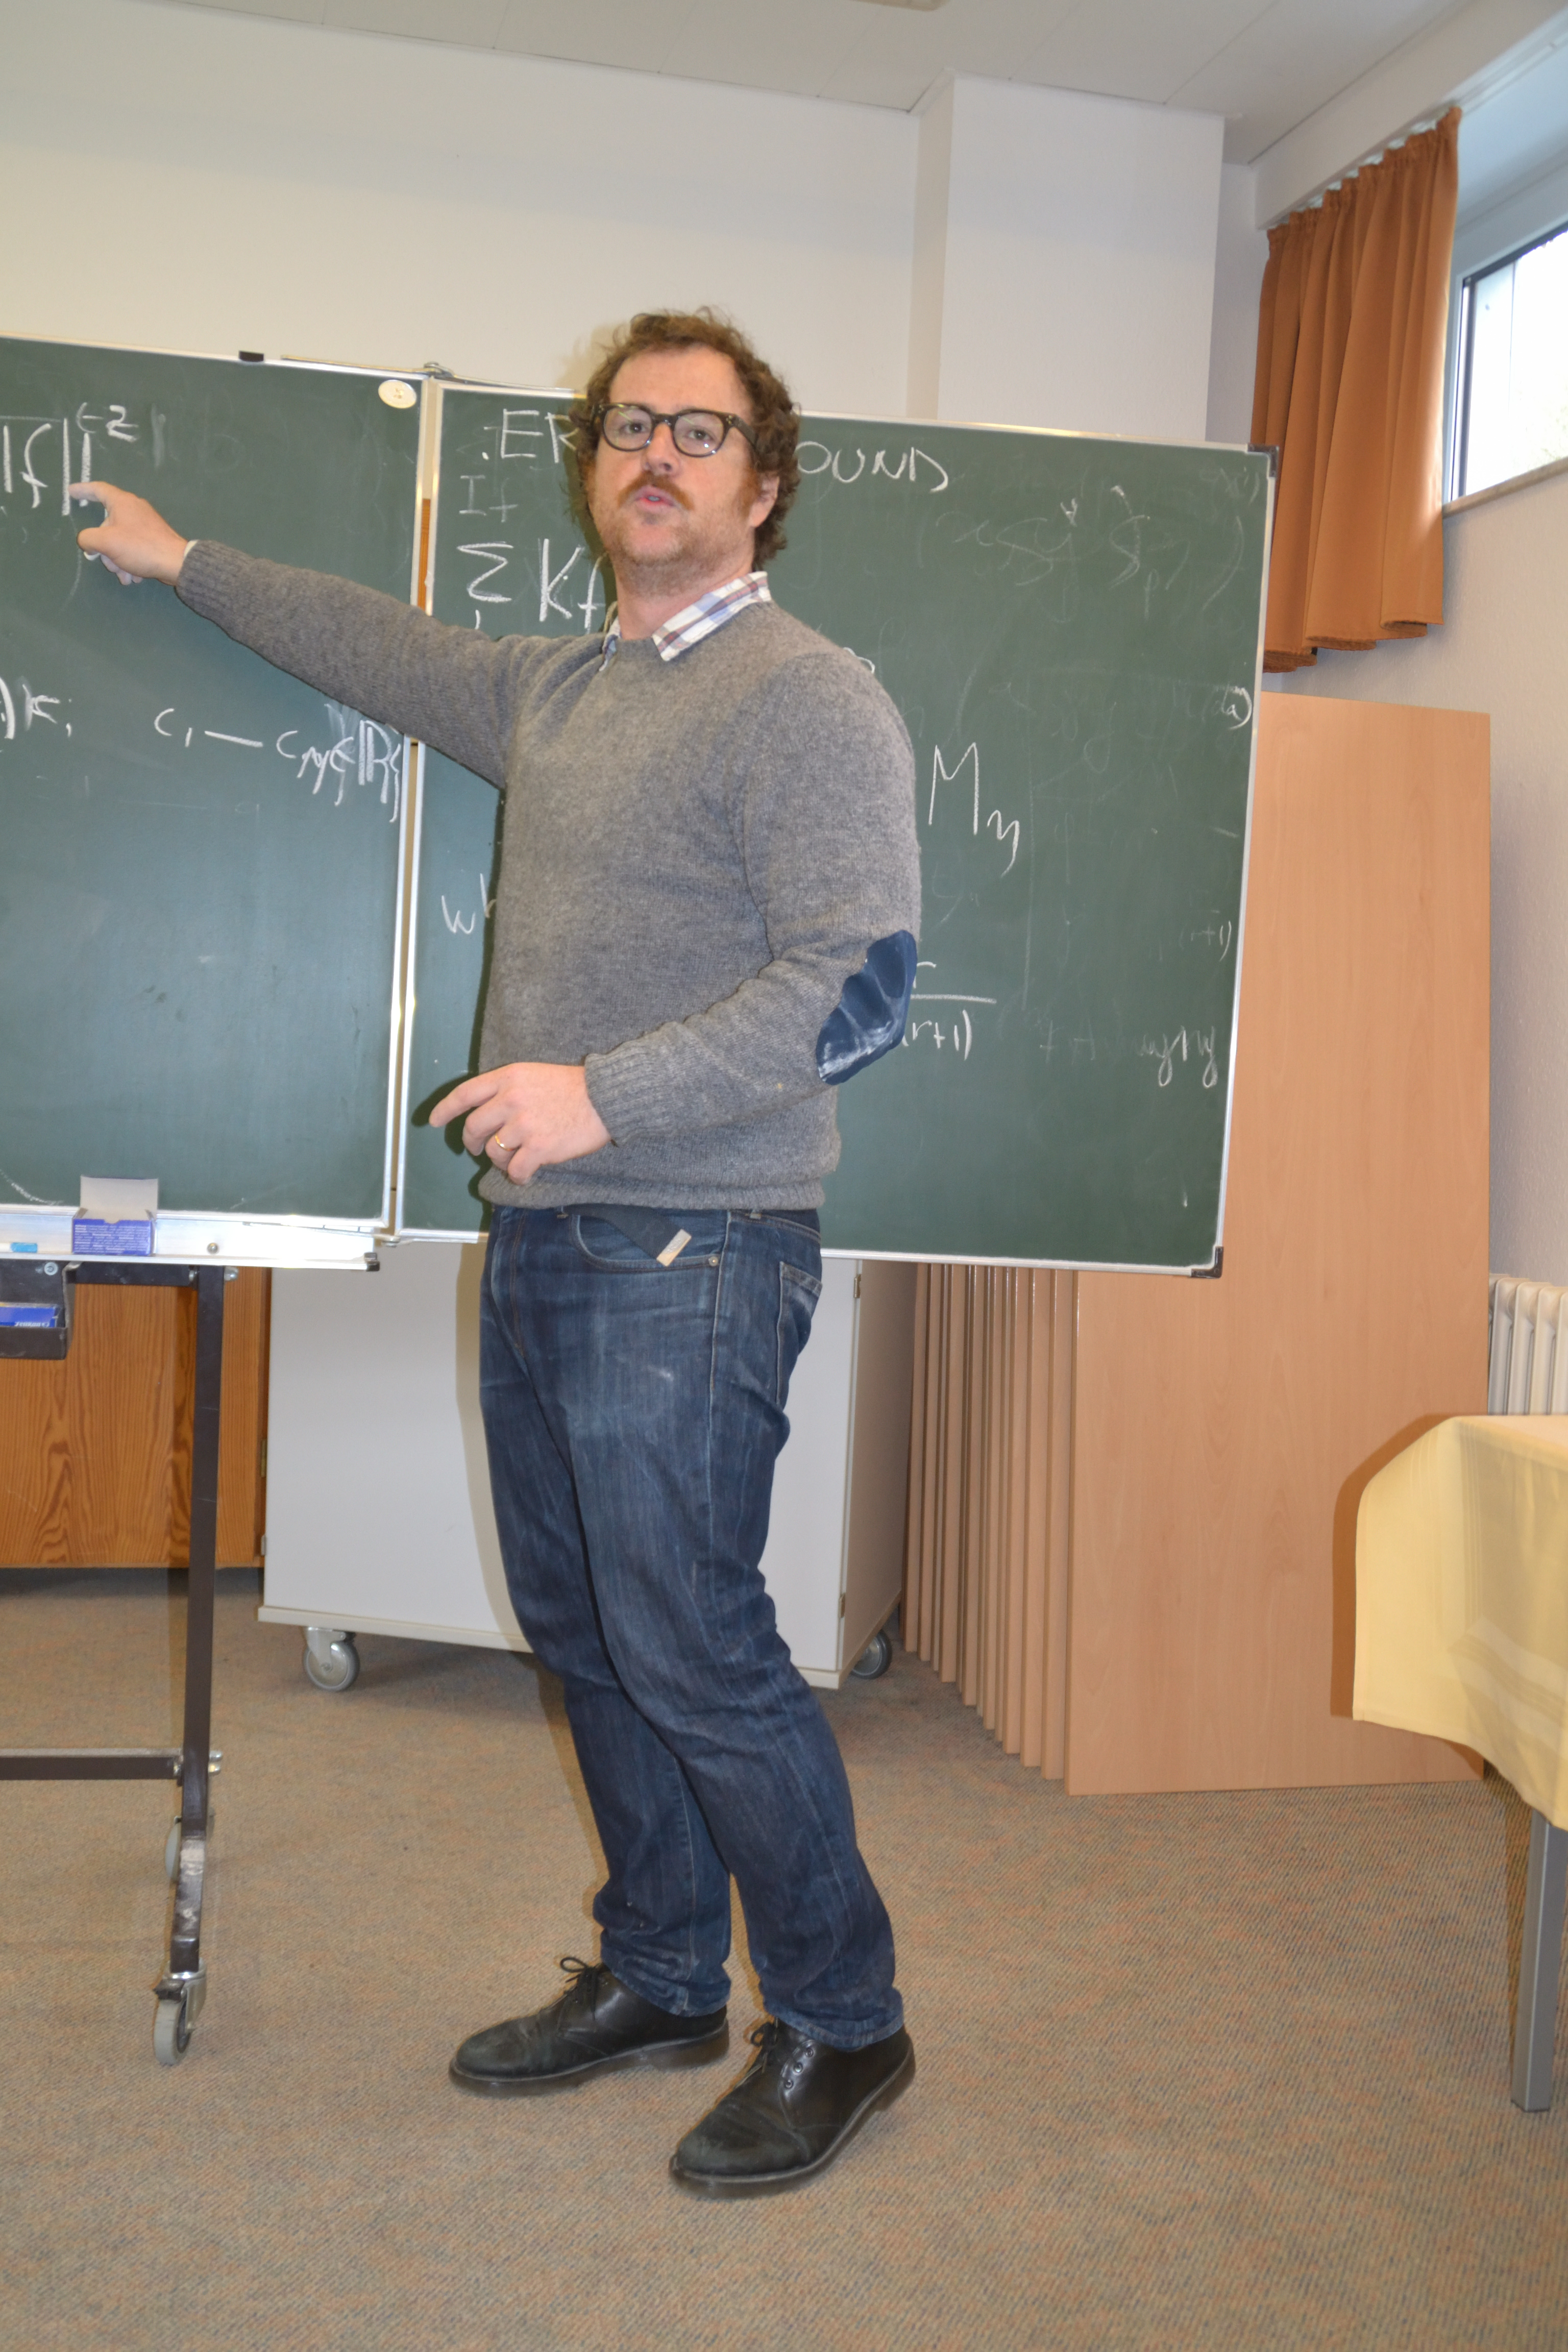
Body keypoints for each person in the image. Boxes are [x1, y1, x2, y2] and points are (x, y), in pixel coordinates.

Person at [76, 308, 921, 2197]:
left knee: (694, 1646)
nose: (655, 454)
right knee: (589, 1633)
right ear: (592, 467)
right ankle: (662, 1974)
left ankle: (847, 2020)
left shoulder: (807, 697)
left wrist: (603, 1094)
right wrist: (182, 560)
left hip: (696, 1244)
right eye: (628, 425)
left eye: (699, 430)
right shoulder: (564, 691)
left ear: (764, 486)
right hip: (547, 1244)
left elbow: (860, 985)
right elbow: (376, 648)